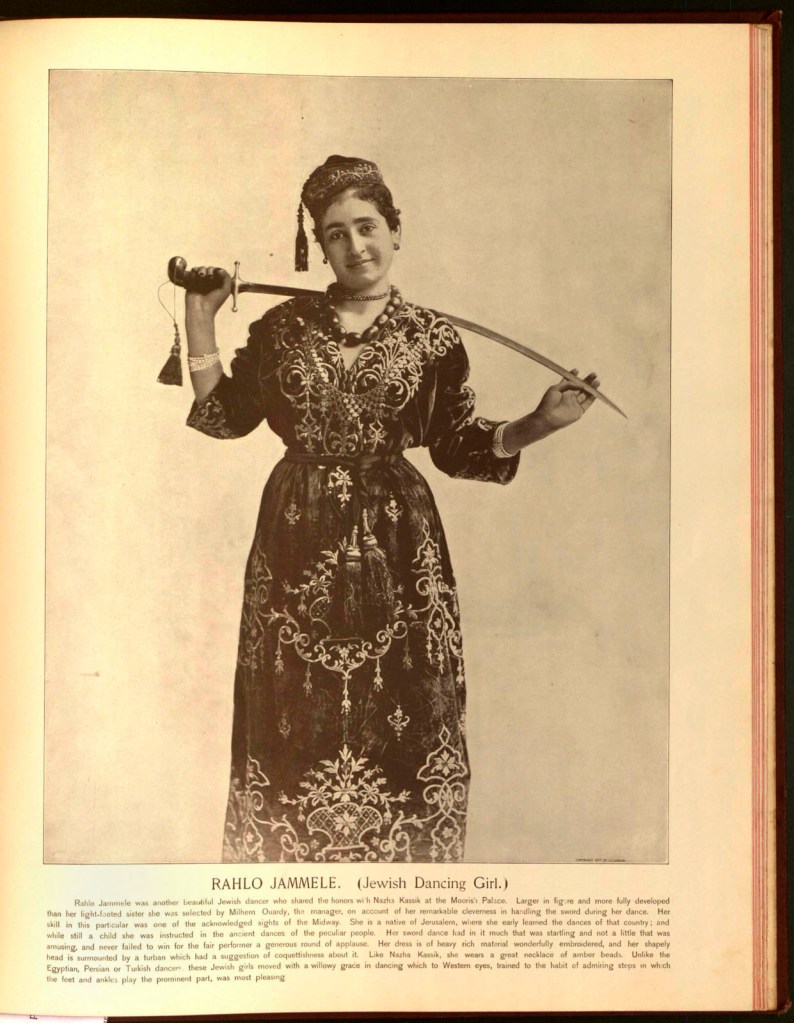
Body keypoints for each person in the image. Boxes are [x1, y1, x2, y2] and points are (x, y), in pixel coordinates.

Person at [183, 155, 599, 864]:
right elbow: (223, 416)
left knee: (404, 714)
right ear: (319, 245)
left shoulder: (434, 338)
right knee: (289, 716)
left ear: (396, 230)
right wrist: (200, 317)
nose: (355, 247)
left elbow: (461, 445)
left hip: (398, 546)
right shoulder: (282, 328)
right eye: (335, 234)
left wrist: (541, 422)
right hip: (294, 539)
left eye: (367, 226)